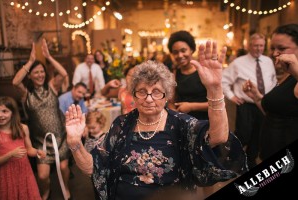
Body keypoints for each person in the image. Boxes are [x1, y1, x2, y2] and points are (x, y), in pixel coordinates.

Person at [65, 41, 247, 200]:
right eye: (142, 91)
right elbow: (92, 168)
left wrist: (214, 88)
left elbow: (219, 137)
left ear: (167, 95)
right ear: (134, 96)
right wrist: (75, 143)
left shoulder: (181, 124)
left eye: (157, 92)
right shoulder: (121, 125)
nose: (149, 98)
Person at [12, 39, 71, 200]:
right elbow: (15, 81)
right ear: (30, 76)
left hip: (60, 137)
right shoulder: (26, 94)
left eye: (42, 72)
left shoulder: (52, 87)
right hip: (40, 141)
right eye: (36, 72)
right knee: (43, 176)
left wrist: (49, 57)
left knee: (64, 167)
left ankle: (65, 187)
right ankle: (46, 191)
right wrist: (30, 61)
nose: (40, 75)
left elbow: (64, 74)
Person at [242, 24, 298, 162]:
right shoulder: (288, 74)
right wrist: (256, 97)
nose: (274, 53)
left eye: (282, 48)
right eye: (273, 48)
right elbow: (273, 113)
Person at [222, 33, 277, 168]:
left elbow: (273, 80)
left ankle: (250, 161)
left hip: (264, 104)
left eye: (261, 46)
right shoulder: (238, 63)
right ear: (249, 46)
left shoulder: (268, 61)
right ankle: (232, 158)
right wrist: (231, 96)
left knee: (258, 135)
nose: (259, 49)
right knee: (243, 134)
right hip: (246, 104)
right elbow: (223, 80)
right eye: (255, 45)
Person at [0, 96, 46, 200]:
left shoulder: (23, 128)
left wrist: (38, 152)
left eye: (4, 111)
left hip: (24, 172)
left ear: (13, 113)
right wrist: (10, 154)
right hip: (5, 175)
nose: (0, 115)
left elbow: (29, 149)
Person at [167, 30, 209, 120]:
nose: (180, 55)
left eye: (183, 50)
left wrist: (191, 106)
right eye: (175, 52)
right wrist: (174, 111)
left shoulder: (203, 71)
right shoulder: (174, 72)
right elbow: (171, 101)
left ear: (191, 50)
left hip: (203, 123)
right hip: (183, 122)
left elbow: (216, 104)